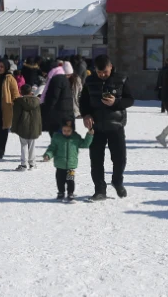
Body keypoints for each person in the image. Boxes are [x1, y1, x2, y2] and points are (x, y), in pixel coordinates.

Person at [79, 55, 135, 200]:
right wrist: (86, 115)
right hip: (96, 127)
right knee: (96, 160)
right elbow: (83, 101)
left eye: (105, 72)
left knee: (120, 158)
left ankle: (117, 181)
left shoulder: (121, 79)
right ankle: (100, 190)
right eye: (99, 72)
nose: (103, 75)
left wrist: (116, 103)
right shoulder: (90, 81)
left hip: (116, 125)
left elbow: (130, 100)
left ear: (111, 67)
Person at [44, 120, 95, 202]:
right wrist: (48, 155)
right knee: (60, 180)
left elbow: (85, 144)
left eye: (68, 131)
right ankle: (61, 192)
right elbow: (52, 148)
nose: (66, 132)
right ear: (61, 129)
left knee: (70, 181)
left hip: (71, 165)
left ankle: (70, 193)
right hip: (60, 165)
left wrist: (89, 135)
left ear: (72, 130)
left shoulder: (76, 138)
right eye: (64, 130)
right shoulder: (57, 137)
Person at [12, 81, 44, 170]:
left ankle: (23, 164)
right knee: (32, 145)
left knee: (24, 145)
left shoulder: (19, 101)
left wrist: (14, 127)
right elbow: (38, 116)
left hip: (23, 126)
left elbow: (16, 115)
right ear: (31, 91)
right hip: (34, 126)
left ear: (21, 92)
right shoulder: (37, 101)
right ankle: (32, 164)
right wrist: (39, 127)